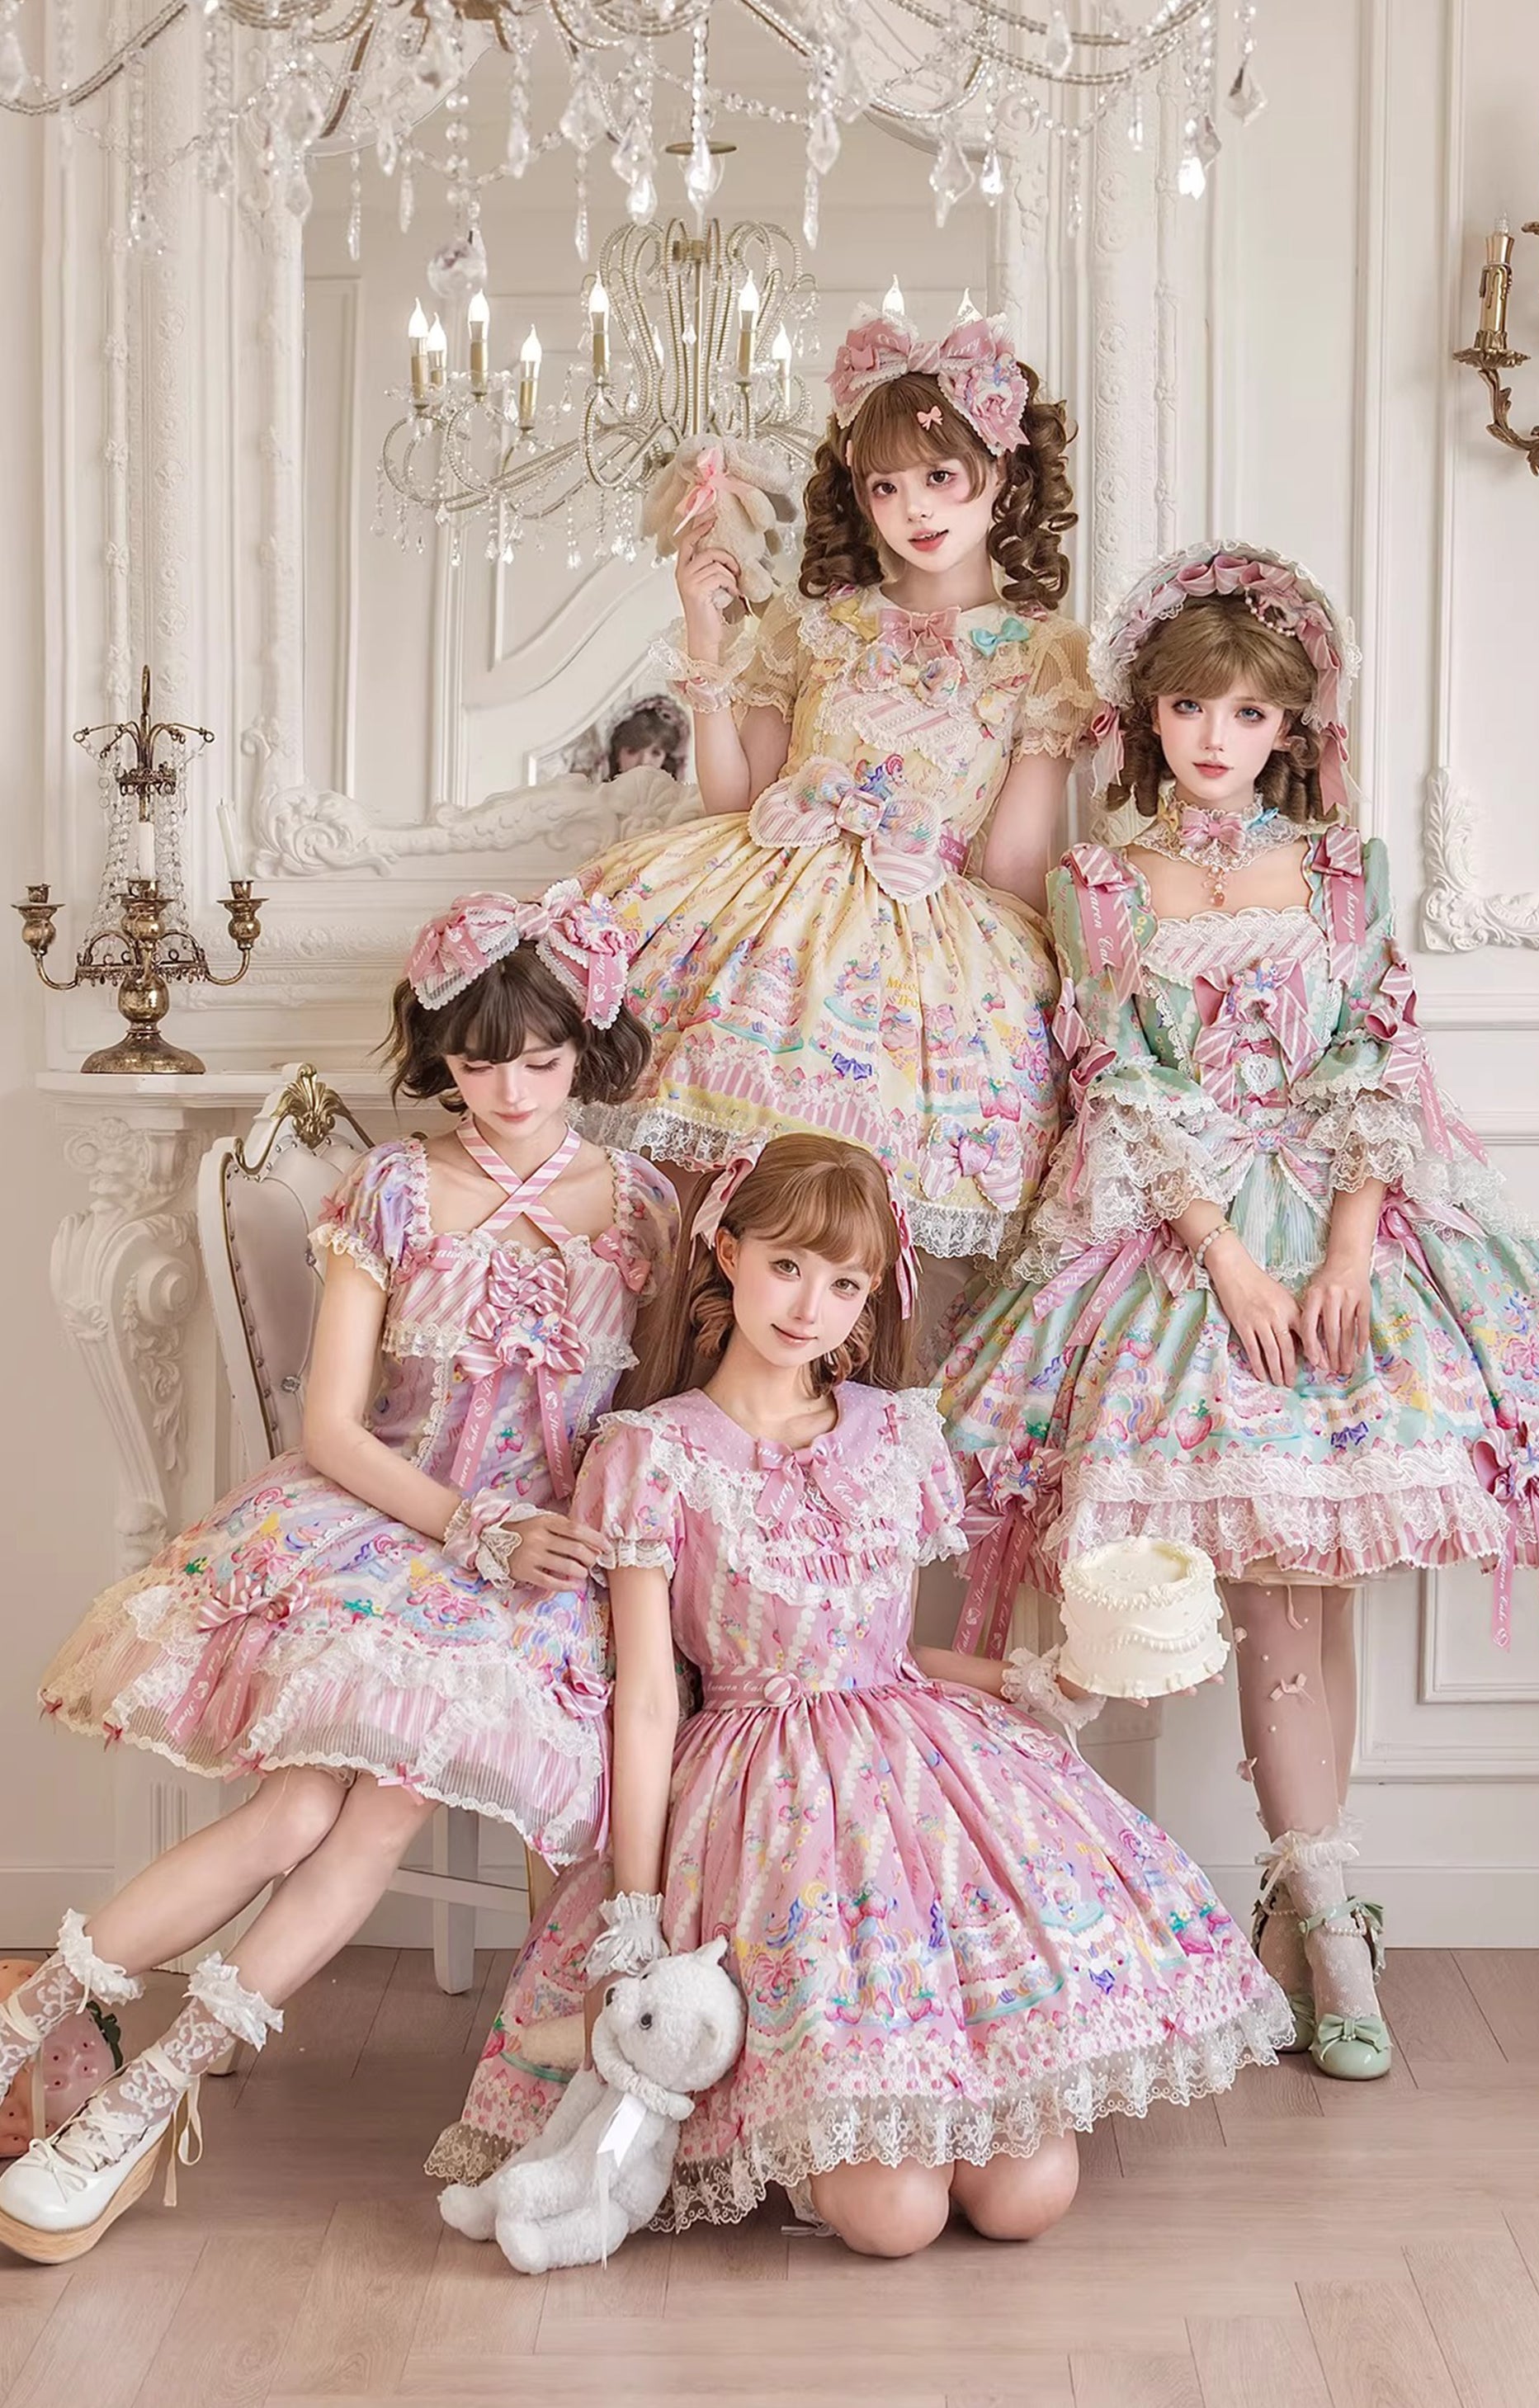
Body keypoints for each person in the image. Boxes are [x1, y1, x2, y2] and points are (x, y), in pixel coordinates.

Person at [940, 543, 1539, 2082]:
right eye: (1191, 707)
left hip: (1350, 1235)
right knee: (1240, 1586)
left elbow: (1377, 1055)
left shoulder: (1344, 869)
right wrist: (1230, 1258)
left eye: (1247, 712)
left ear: (1289, 725)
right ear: (1148, 717)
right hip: (1181, 1244)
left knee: (1323, 1577)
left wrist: (1349, 1244)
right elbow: (1116, 1080)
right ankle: (1282, 1918)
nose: (1217, 736)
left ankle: (1316, 1898)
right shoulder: (1099, 883)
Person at [428, 1133, 1287, 2257]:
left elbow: (887, 1653)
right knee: (893, 2218)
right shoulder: (651, 1452)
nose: (811, 1306)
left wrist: (1029, 1680)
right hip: (757, 1792)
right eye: (787, 1266)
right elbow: (644, 1700)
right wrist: (633, 1912)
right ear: (727, 1253)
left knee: (1027, 2199)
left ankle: (931, 2098)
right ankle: (820, 2128)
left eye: (844, 1283)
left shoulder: (898, 1431)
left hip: (922, 1769)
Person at [0, 884, 677, 2261]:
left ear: (587, 1050)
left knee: (368, 1817)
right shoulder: (395, 1187)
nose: (509, 1091)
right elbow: (329, 1425)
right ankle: (27, 2033)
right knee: (296, 1808)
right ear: (442, 1056)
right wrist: (468, 1525)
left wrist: (560, 1544)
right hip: (392, 1520)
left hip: (549, 1572)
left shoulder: (646, 1205)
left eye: (541, 1060)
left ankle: (145, 2097)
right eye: (479, 1062)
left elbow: (655, 1413)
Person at [568, 303, 1096, 1257]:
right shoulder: (814, 624)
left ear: (1003, 471)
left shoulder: (1043, 653)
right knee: (708, 1192)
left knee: (847, 1207)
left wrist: (1038, 994)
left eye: (939, 477)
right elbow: (737, 802)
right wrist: (705, 635)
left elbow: (1014, 863)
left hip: (925, 925)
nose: (915, 509)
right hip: (763, 901)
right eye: (885, 486)